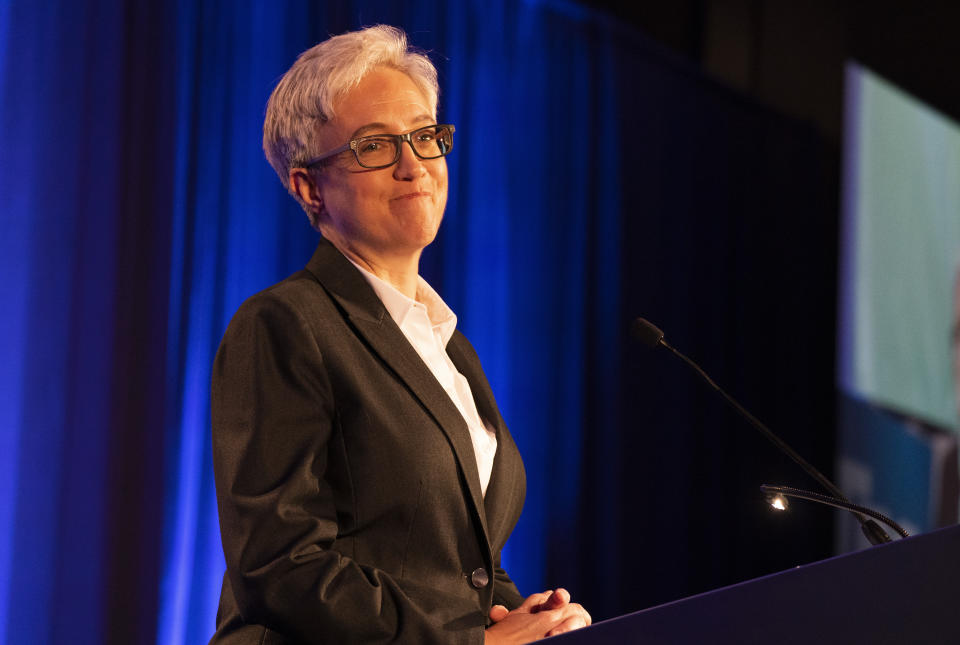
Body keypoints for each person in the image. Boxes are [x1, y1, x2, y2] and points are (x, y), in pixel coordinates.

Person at [209, 25, 590, 644]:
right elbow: (279, 567)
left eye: (424, 135)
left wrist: (532, 618)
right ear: (310, 187)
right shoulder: (285, 324)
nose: (413, 164)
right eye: (374, 146)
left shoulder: (446, 345)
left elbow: (462, 568)